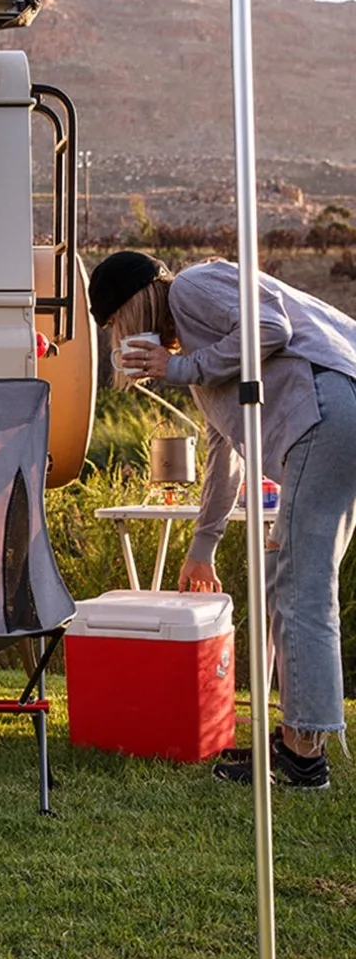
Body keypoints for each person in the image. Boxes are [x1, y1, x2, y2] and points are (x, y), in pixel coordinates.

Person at [88, 250, 356, 788]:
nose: (118, 339)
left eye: (115, 324)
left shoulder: (190, 288)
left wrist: (180, 368)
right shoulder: (196, 352)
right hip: (324, 422)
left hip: (326, 416)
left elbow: (271, 326)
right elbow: (225, 454)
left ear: (135, 305)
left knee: (301, 586)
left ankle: (304, 758)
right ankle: (299, 743)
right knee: (290, 579)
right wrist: (202, 546)